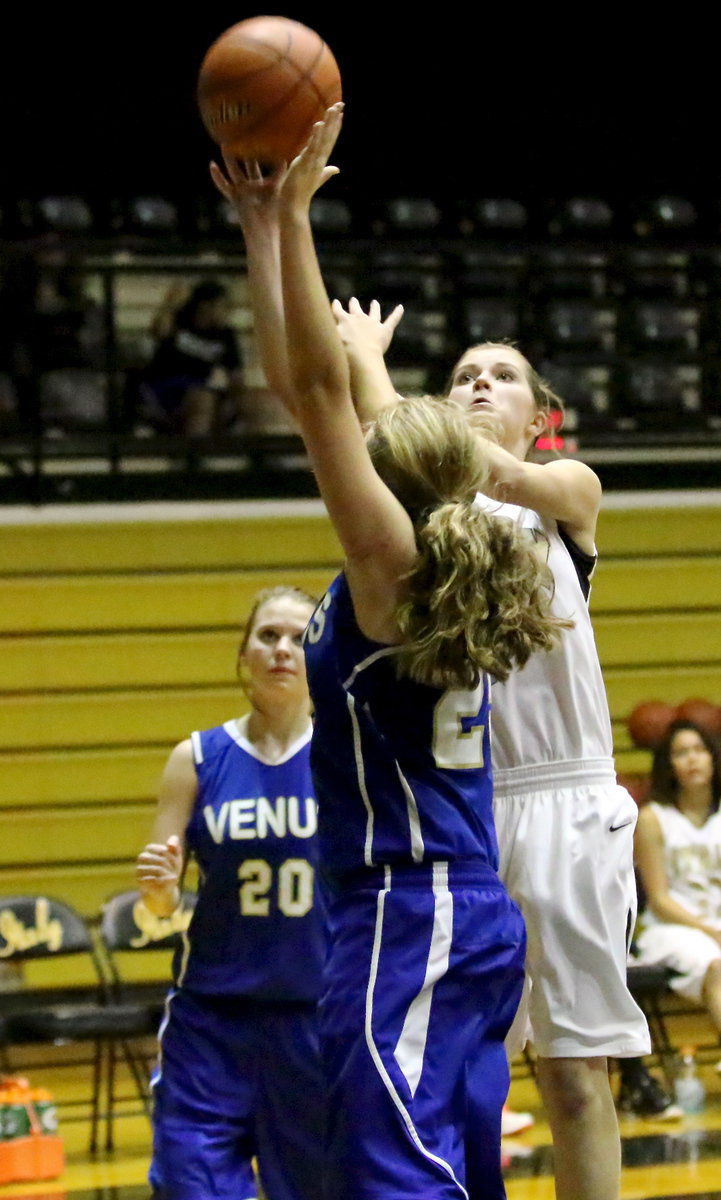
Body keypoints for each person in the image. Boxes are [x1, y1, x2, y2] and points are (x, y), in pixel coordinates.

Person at [214, 103, 571, 1200]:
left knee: (394, 1176)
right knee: (451, 1164)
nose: (341, 453)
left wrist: (297, 215)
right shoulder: (428, 556)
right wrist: (263, 230)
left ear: (387, 477)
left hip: (406, 911)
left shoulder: (390, 566)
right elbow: (304, 389)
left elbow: (316, 390)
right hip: (453, 909)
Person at [330, 314, 651, 1197]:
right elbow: (399, 454)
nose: (478, 384)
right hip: (460, 811)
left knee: (574, 1074)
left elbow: (483, 467)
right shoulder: (423, 518)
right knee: (463, 1072)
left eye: (501, 376)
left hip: (565, 802)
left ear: (537, 412)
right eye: (464, 374)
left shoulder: (563, 489)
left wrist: (367, 368)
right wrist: (366, 374)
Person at [136, 585, 325, 1200]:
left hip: (315, 1019)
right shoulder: (195, 758)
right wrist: (158, 891)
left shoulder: (348, 758)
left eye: (299, 638)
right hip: (211, 1020)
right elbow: (159, 905)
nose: (281, 649)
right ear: (243, 652)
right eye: (267, 635)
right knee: (192, 1184)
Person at [632, 719, 721, 1054]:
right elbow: (659, 899)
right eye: (681, 753)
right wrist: (710, 931)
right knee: (717, 966)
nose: (692, 759)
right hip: (674, 928)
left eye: (699, 750)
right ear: (668, 765)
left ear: (713, 758)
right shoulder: (654, 818)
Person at [139, 279, 244, 436]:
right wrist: (171, 303)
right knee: (203, 400)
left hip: (200, 387)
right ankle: (193, 455)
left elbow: (236, 376)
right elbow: (159, 330)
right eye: (224, 306)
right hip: (165, 387)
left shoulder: (226, 335)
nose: (228, 312)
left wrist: (238, 399)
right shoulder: (179, 320)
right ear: (205, 306)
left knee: (251, 403)